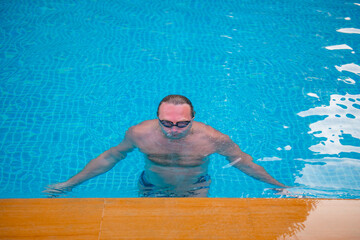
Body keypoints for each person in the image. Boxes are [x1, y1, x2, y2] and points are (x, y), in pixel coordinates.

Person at [44, 95, 287, 197]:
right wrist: (69, 184)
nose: (173, 130)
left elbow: (242, 162)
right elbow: (111, 157)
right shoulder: (139, 133)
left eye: (182, 124)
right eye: (167, 123)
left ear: (193, 117)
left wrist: (278, 186)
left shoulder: (213, 139)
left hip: (195, 190)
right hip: (151, 188)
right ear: (157, 117)